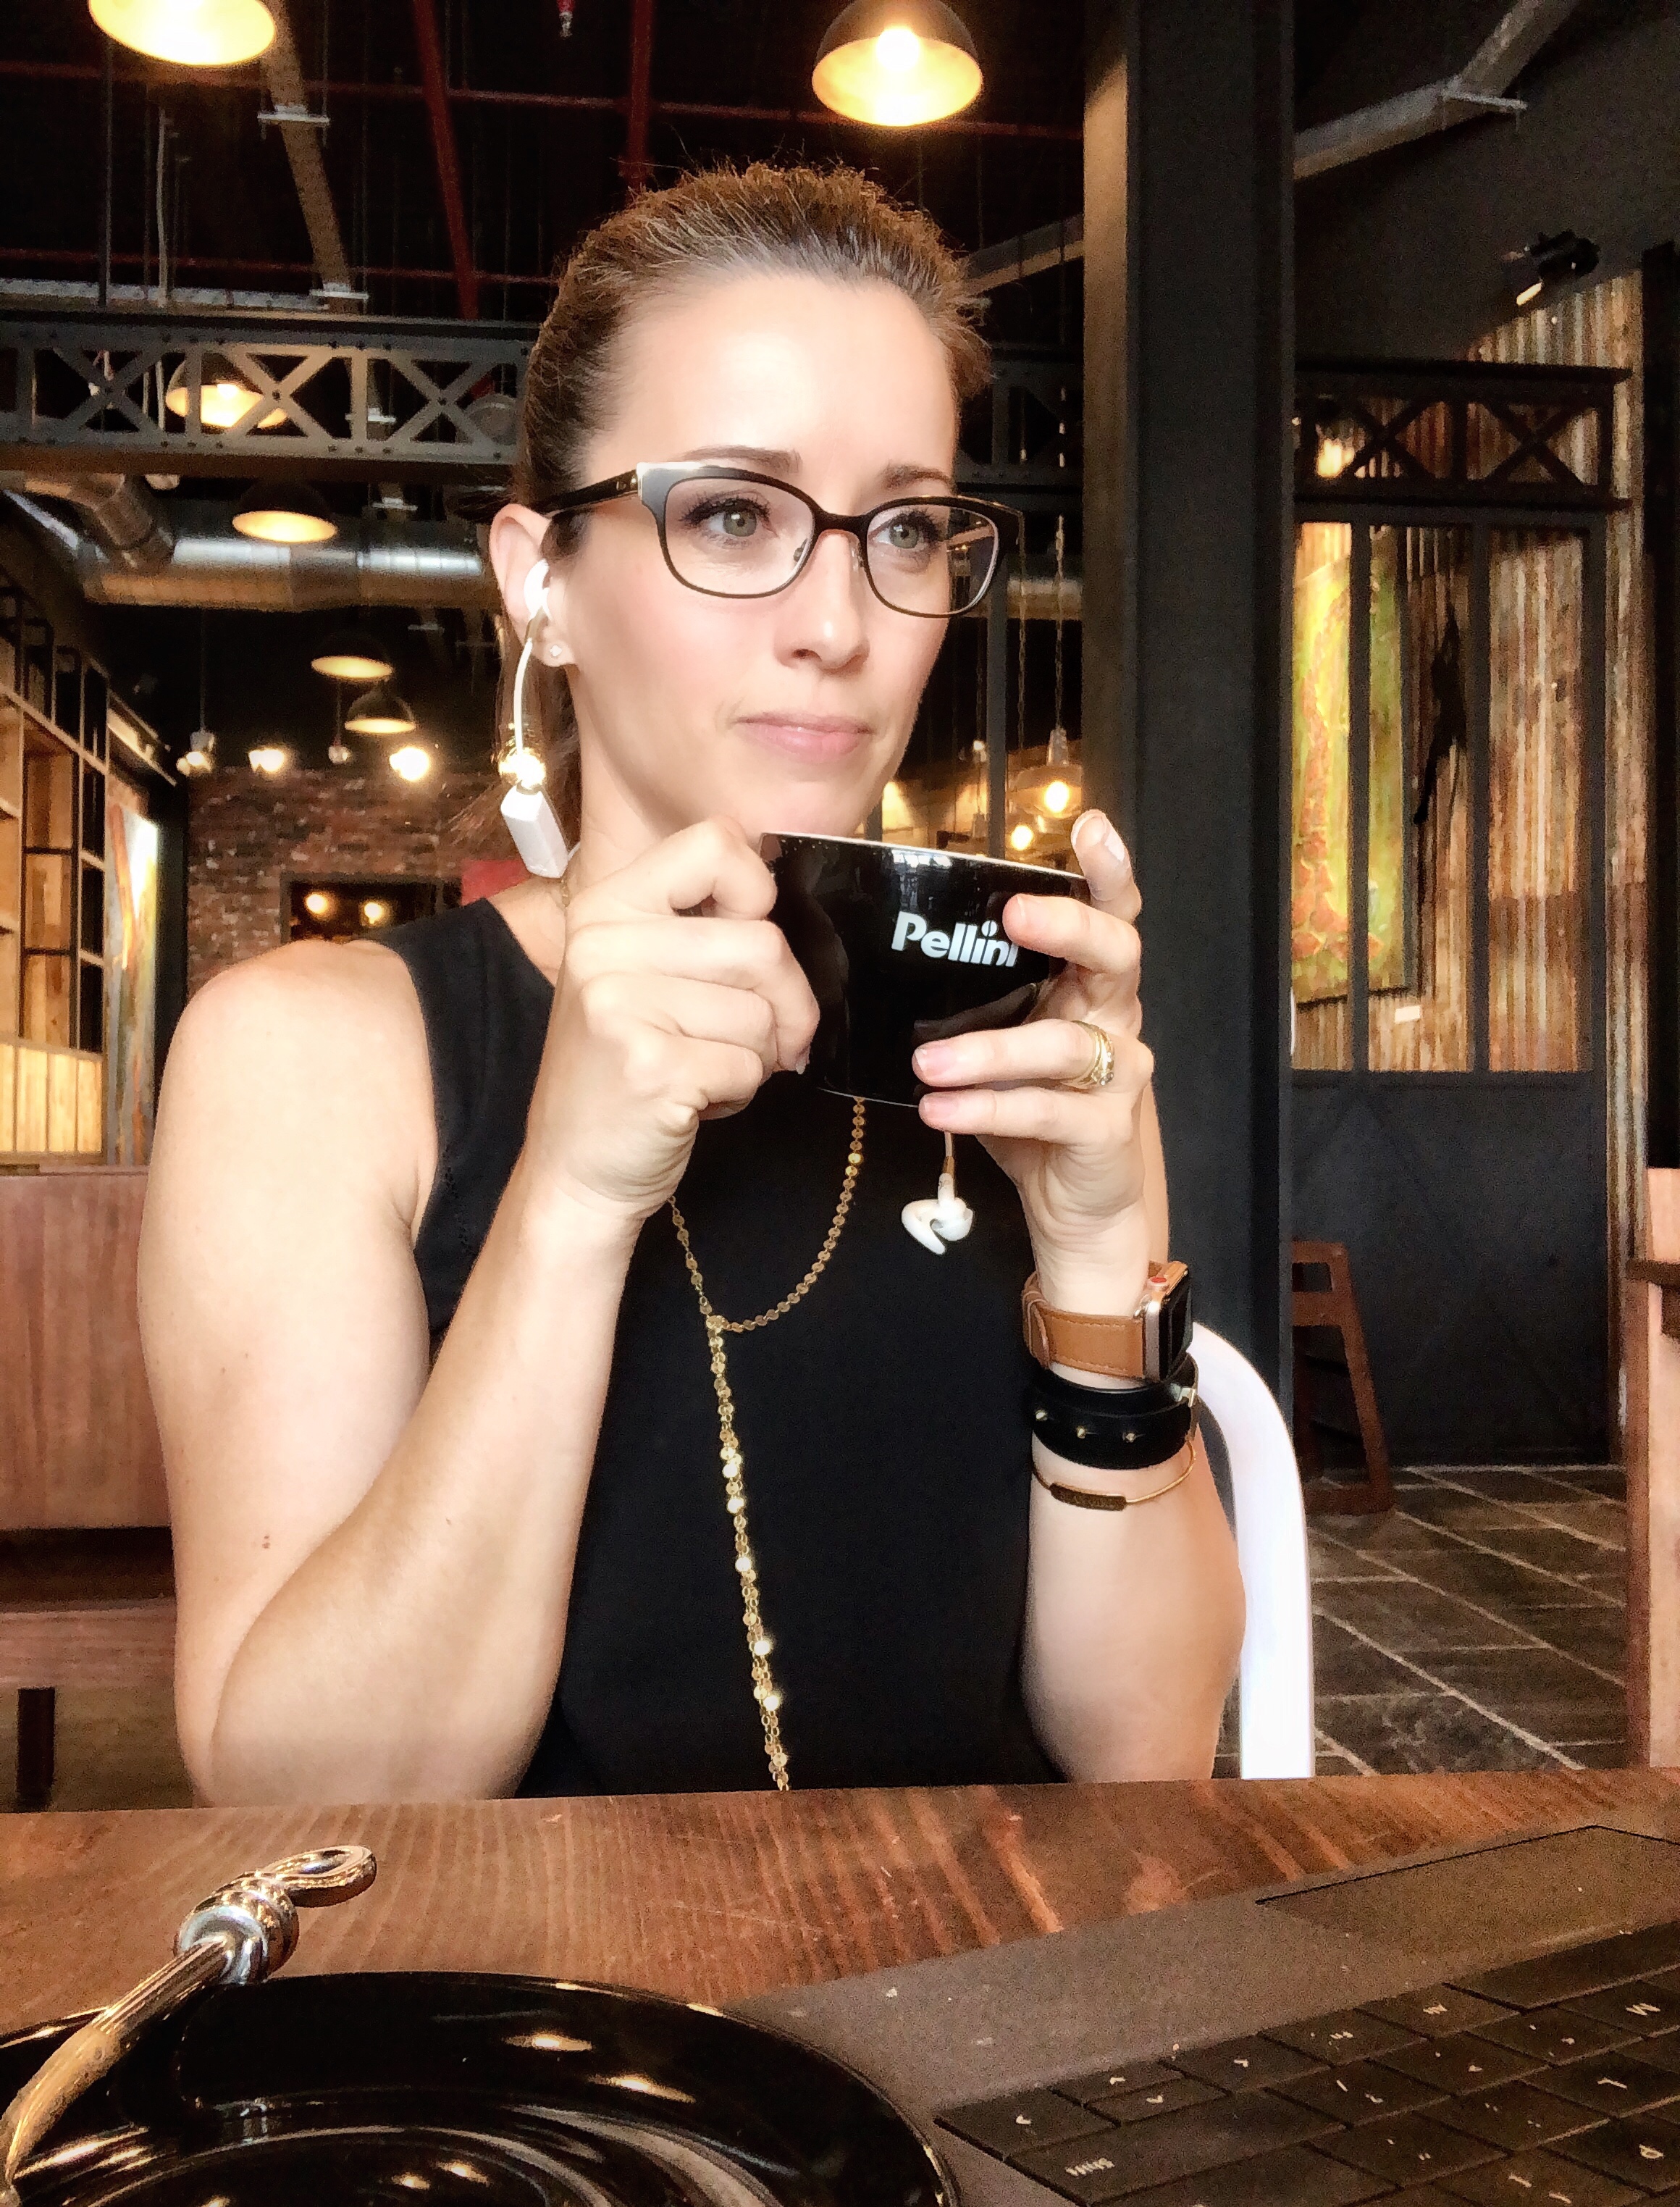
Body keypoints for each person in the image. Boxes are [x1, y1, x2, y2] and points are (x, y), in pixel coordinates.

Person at [140, 163, 1243, 1804]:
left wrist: (1091, 1243)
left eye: (907, 528)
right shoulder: (312, 1058)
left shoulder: (1019, 1058)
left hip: (983, 2016)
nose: (836, 619)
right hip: (522, 2042)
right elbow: (303, 1797)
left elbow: (1140, 1751)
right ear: (542, 578)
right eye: (733, 513)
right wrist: (569, 1201)